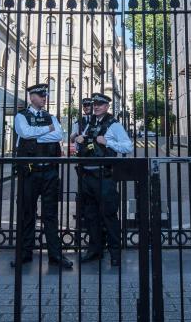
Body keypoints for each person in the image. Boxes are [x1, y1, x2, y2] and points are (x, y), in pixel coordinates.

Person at [13, 83, 72, 269]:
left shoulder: (51, 117)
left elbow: (58, 136)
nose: (44, 98)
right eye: (41, 95)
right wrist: (46, 131)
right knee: (26, 213)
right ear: (32, 98)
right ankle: (25, 253)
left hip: (49, 172)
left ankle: (55, 255)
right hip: (29, 172)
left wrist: (36, 135)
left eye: (45, 95)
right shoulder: (21, 116)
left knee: (51, 214)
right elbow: (24, 132)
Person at [75, 92, 133, 267]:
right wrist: (79, 140)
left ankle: (115, 253)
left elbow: (128, 146)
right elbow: (84, 145)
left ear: (107, 106)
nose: (96, 107)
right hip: (87, 175)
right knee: (91, 217)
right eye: (94, 104)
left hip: (104, 176)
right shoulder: (90, 123)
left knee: (108, 216)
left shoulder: (114, 125)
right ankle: (95, 251)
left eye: (100, 104)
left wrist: (107, 143)